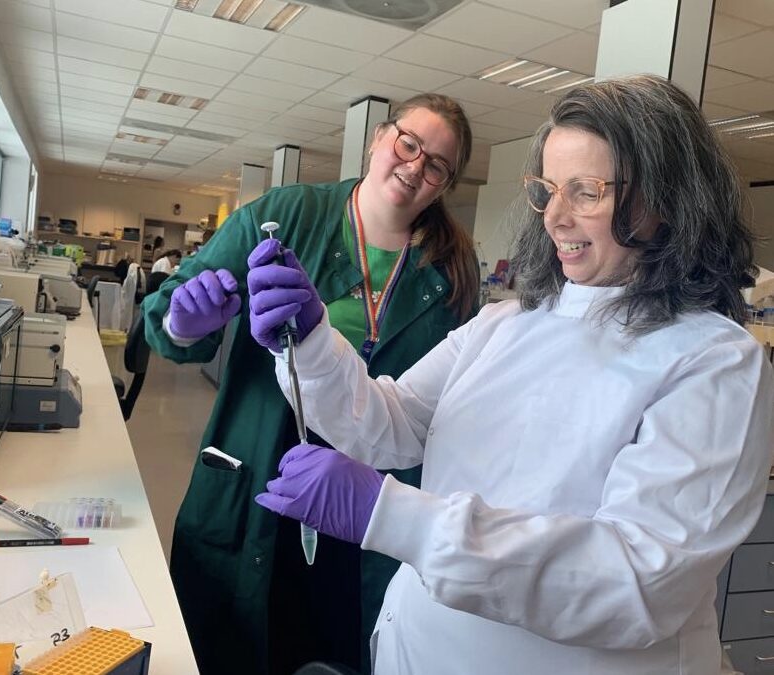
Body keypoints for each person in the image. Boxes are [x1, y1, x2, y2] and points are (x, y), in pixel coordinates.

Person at [248, 75, 774, 675]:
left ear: (669, 198)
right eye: (549, 189)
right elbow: (389, 423)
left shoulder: (712, 359)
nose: (555, 217)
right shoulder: (505, 322)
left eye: (587, 191)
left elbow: (638, 581)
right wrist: (313, 341)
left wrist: (393, 518)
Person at [141, 93, 480, 675]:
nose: (415, 167)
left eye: (437, 166)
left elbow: (444, 406)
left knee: (334, 645)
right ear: (379, 138)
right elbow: (169, 317)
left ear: (444, 185)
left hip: (366, 498)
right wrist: (184, 318)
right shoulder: (288, 216)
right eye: (408, 144)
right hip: (259, 470)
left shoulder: (450, 273)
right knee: (229, 638)